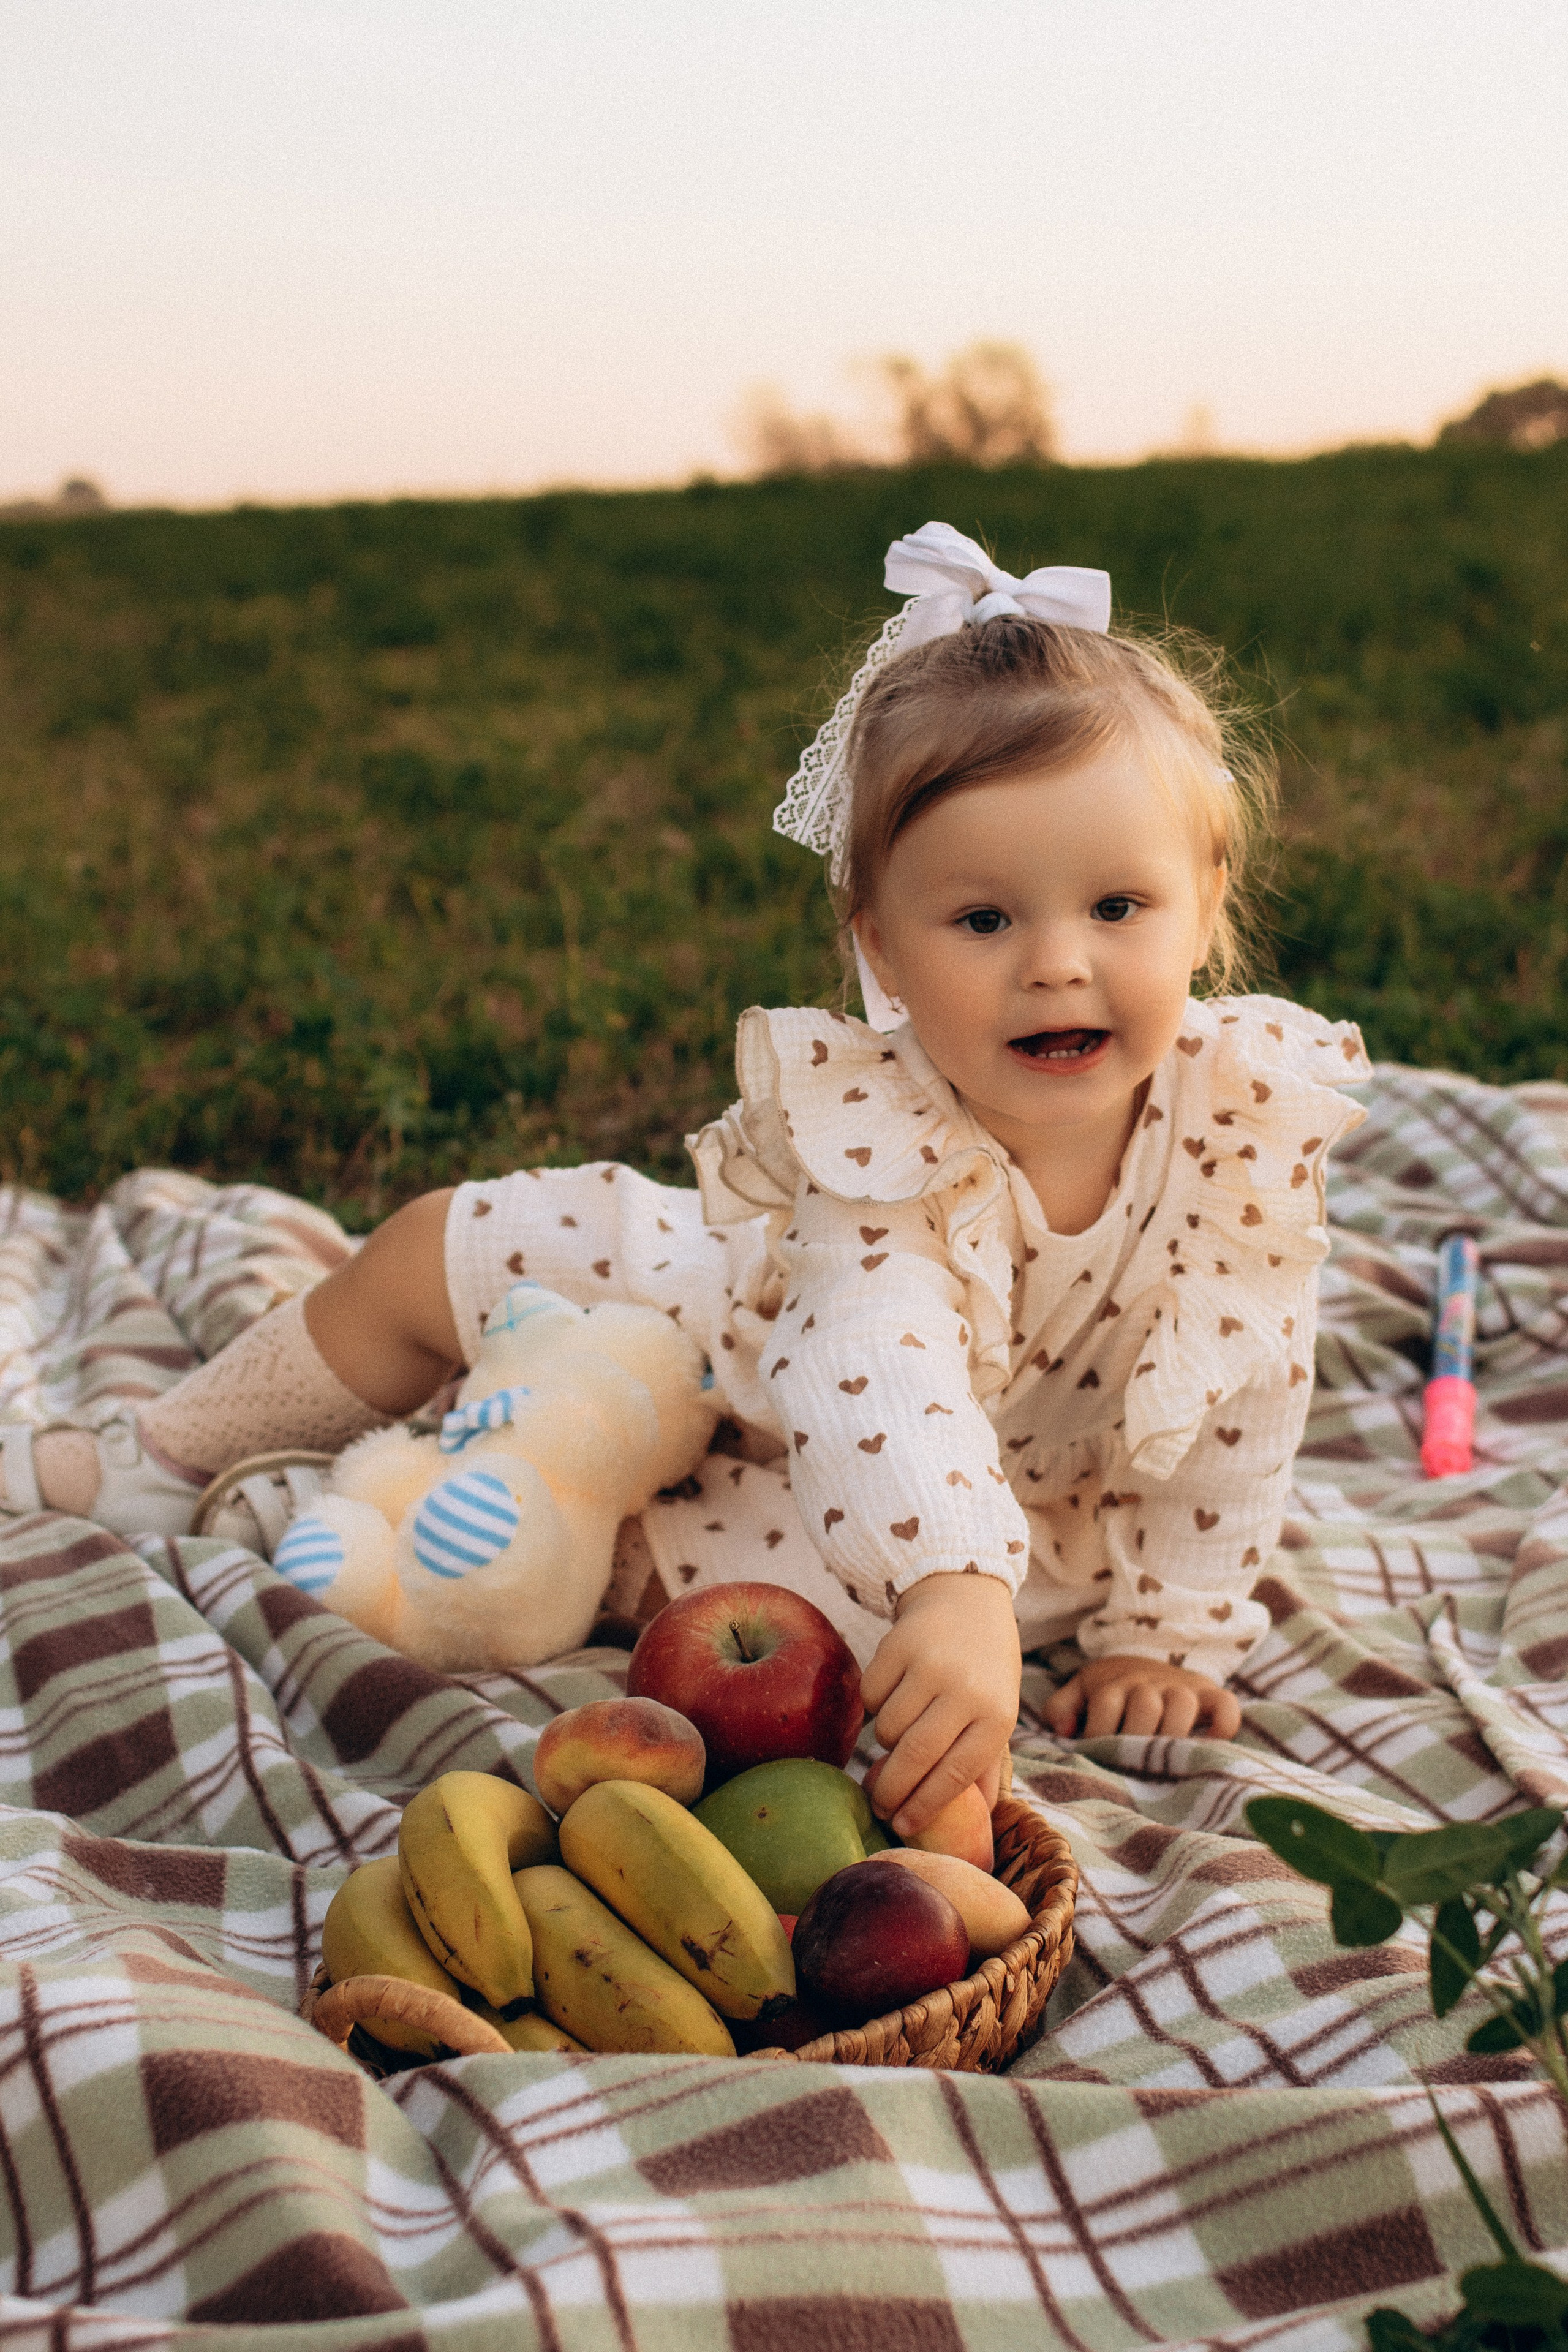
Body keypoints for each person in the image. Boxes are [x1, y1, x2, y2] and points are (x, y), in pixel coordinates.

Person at [1, 522, 1369, 1837]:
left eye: (1115, 908)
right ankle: (169, 1455)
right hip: (776, 1343)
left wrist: (1163, 1636)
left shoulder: (1240, 1135)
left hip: (954, 1513)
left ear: (1204, 902)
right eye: (982, 918)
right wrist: (947, 1583)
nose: (1056, 962)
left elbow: (1245, 1406)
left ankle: (398, 1497)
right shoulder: (877, 1138)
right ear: (880, 952)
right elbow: (875, 1364)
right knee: (436, 1245)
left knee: (663, 1580)